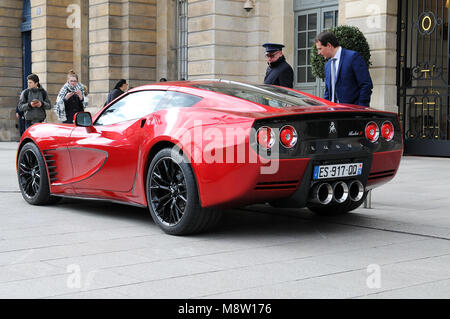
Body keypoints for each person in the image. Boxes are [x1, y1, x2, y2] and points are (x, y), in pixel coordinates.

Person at [315, 31, 373, 106]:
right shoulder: (327, 65)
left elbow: (366, 85)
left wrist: (361, 109)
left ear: (329, 45)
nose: (318, 53)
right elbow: (328, 92)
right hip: (332, 113)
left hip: (352, 113)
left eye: (320, 49)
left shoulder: (353, 57)